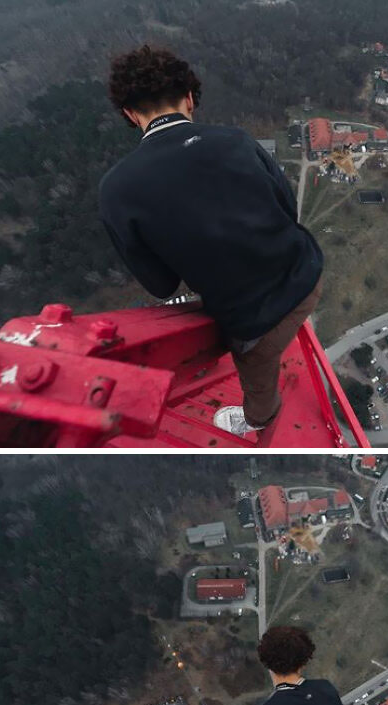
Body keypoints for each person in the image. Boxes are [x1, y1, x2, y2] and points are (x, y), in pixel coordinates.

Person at [99, 44, 324, 437]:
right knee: (274, 340)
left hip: (256, 320)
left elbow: (161, 284)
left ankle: (260, 418)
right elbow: (287, 209)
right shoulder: (236, 140)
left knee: (258, 375)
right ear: (189, 99)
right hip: (308, 271)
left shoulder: (117, 189)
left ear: (130, 115)